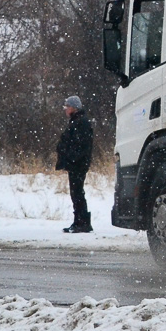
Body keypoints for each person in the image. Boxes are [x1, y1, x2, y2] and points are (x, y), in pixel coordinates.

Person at [55, 95, 94, 233]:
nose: (65, 110)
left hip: (78, 164)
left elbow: (80, 146)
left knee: (77, 192)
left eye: (67, 107)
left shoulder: (80, 122)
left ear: (74, 108)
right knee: (76, 192)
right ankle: (79, 222)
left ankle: (82, 223)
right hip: (76, 164)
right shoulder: (76, 121)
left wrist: (71, 158)